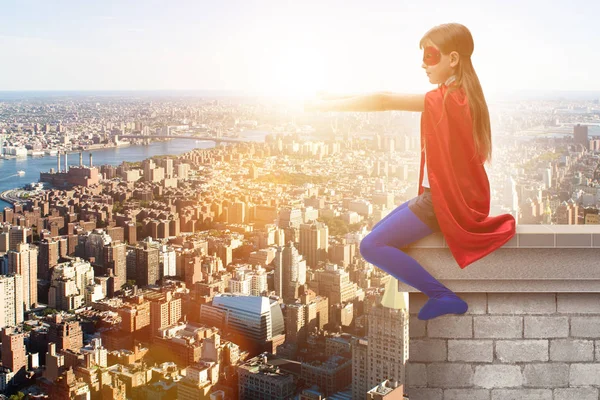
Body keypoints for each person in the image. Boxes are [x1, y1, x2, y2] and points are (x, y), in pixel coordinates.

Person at [305, 23, 516, 320]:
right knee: (379, 231)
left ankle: (442, 295)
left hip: (439, 203)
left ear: (453, 59)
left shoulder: (446, 99)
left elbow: (384, 99)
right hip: (445, 199)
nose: (423, 64)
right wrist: (332, 98)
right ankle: (441, 295)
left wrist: (327, 108)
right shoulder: (463, 95)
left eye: (431, 55)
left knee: (371, 246)